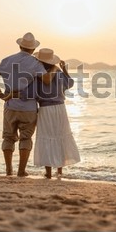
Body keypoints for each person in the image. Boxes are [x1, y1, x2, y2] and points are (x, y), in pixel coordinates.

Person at [0, 33, 57, 177]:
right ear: (32, 49)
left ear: (20, 45)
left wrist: (1, 95)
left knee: (8, 137)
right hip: (28, 108)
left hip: (10, 105)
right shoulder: (35, 63)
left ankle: (8, 170)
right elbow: (46, 80)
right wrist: (54, 69)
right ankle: (21, 171)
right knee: (25, 138)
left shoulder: (7, 60)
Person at [22, 48, 80, 179]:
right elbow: (70, 83)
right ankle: (59, 170)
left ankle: (48, 172)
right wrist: (64, 69)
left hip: (45, 109)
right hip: (60, 108)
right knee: (60, 135)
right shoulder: (58, 72)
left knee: (46, 137)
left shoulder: (38, 74)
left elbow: (29, 94)